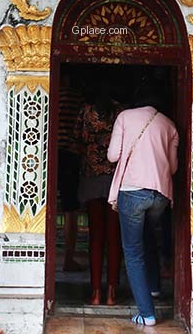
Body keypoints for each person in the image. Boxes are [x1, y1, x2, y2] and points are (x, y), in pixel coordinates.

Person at [107, 89, 178, 326]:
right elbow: (173, 168)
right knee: (148, 234)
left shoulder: (125, 117)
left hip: (132, 191)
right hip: (160, 194)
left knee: (133, 253)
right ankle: (154, 287)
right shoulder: (169, 125)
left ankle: (147, 314)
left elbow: (112, 156)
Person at [76, 82, 122, 305]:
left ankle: (95, 293)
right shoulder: (119, 112)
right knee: (114, 237)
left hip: (91, 177)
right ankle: (111, 293)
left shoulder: (85, 112)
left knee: (96, 237)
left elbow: (77, 140)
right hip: (115, 178)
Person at [57, 73, 84, 272]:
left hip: (48, 155)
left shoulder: (50, 93)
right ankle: (68, 258)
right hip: (70, 155)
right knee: (70, 209)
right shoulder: (76, 98)